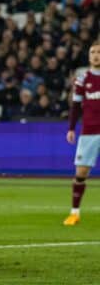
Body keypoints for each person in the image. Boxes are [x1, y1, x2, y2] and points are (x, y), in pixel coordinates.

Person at [63, 40, 100, 226]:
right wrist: (71, 128)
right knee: (81, 172)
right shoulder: (83, 79)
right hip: (89, 132)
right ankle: (74, 213)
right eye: (92, 52)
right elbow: (76, 106)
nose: (95, 55)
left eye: (98, 52)